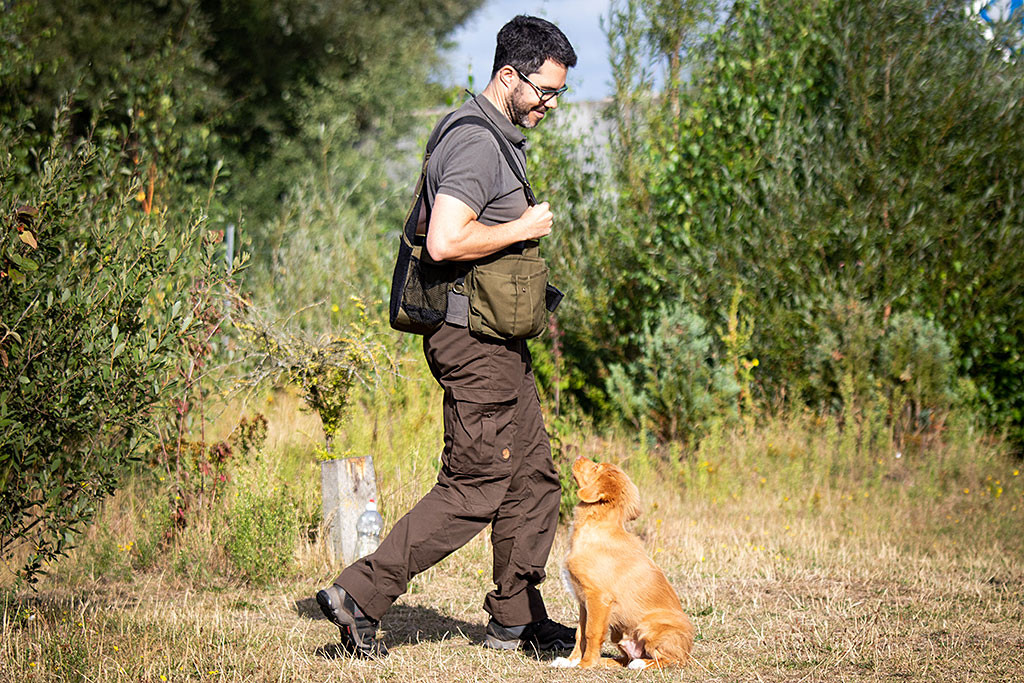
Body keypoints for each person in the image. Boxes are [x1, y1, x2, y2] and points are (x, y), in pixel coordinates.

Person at [316, 15, 578, 658]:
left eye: (559, 94)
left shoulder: (493, 134)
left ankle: (516, 617)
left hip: (498, 339)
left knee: (533, 477)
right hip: (473, 340)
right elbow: (444, 240)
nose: (550, 105)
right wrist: (523, 229)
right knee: (476, 484)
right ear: (508, 76)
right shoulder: (475, 145)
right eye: (544, 91)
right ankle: (360, 595)